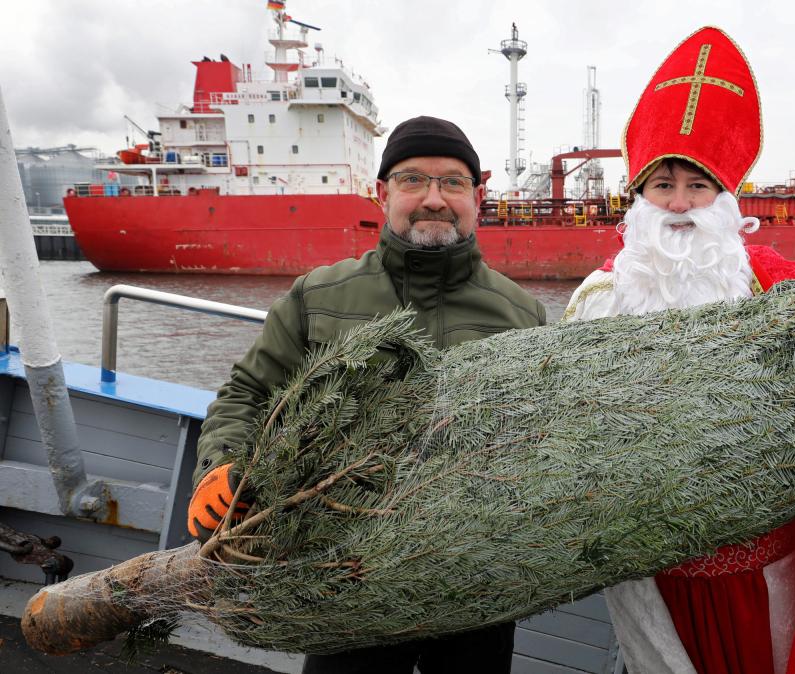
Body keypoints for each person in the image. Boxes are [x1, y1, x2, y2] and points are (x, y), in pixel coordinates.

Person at [186, 115, 546, 674]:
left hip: (474, 579)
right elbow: (248, 393)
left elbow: (541, 435)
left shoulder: (523, 315)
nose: (434, 199)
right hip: (340, 570)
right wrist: (220, 463)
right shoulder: (318, 295)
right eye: (412, 181)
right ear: (382, 193)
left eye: (453, 182)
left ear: (477, 197)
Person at [563, 27, 795, 674]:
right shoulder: (599, 298)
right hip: (650, 565)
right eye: (662, 186)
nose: (679, 205)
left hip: (759, 564)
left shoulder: (772, 285)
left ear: (725, 199)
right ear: (639, 200)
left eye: (697, 187)